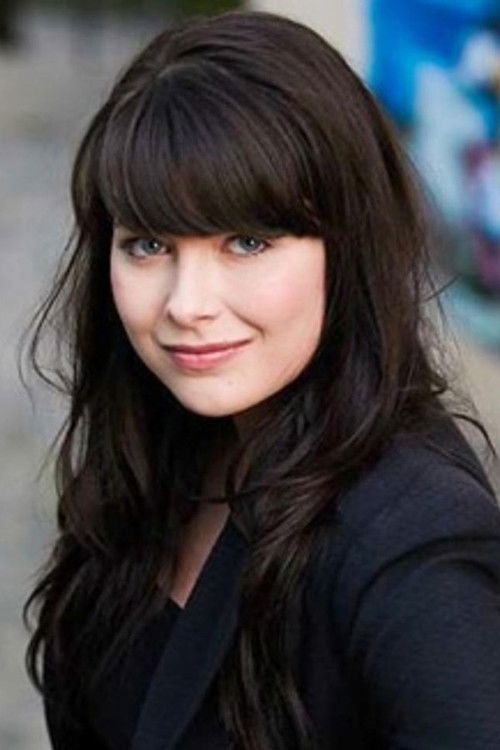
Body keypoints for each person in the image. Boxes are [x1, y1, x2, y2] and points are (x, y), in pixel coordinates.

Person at [24, 11, 500, 750]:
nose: (187, 304)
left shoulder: (412, 546)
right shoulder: (164, 457)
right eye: (148, 244)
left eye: (247, 242)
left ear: (348, 245)